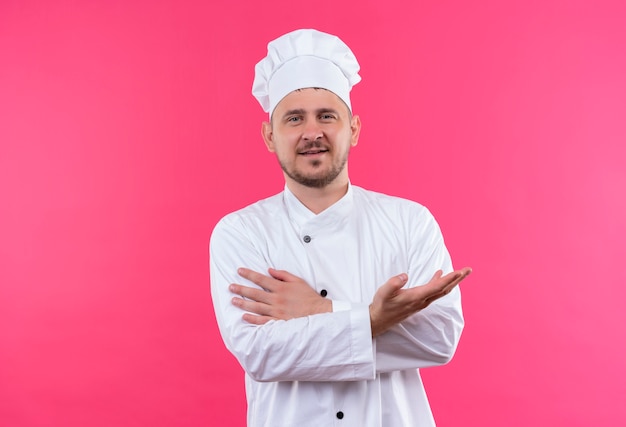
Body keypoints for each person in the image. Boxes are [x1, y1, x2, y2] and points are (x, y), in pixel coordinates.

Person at [210, 28, 472, 427]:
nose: (311, 132)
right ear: (269, 136)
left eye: (326, 116)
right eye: (294, 118)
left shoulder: (410, 221)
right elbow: (260, 353)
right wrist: (376, 318)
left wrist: (320, 310)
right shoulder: (240, 232)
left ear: (353, 129)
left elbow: (439, 339)